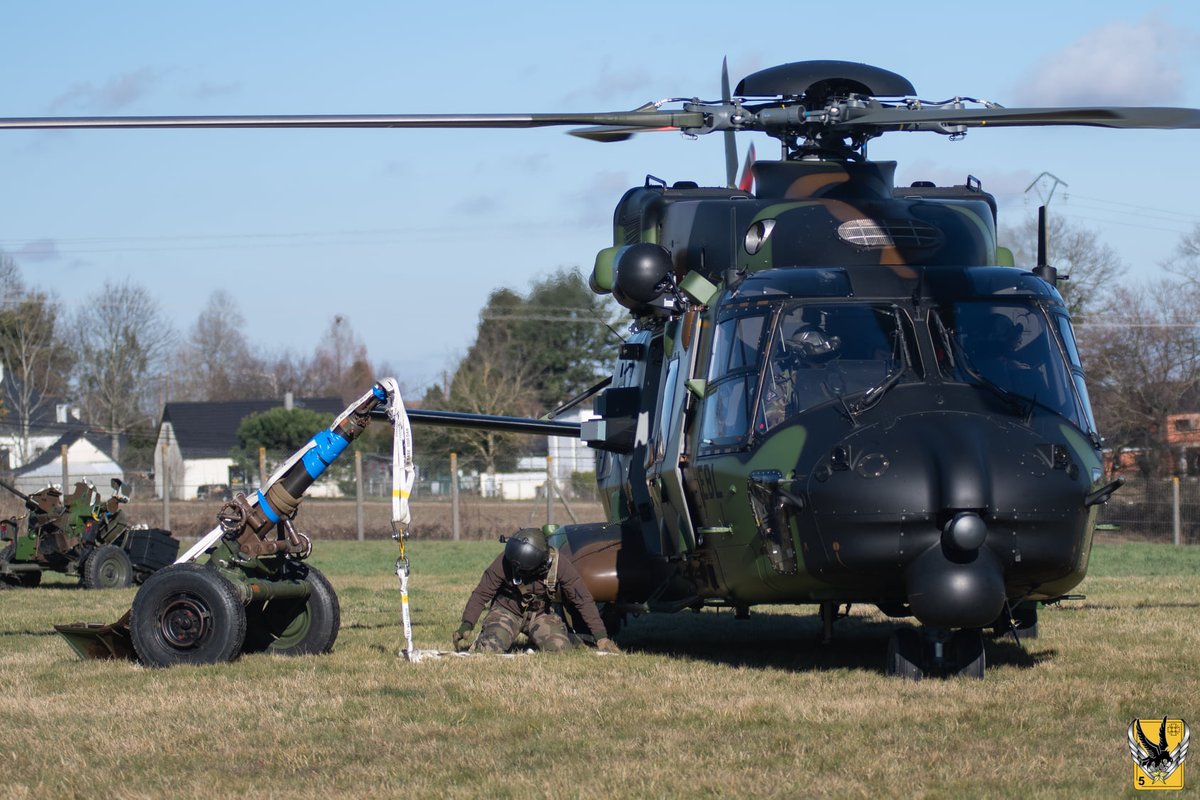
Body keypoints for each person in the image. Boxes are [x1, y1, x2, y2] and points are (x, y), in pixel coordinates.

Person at [453, 528, 620, 654]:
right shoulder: (507, 559)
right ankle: (486, 637)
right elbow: (482, 593)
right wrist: (467, 624)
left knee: (561, 651)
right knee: (488, 651)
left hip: (540, 615)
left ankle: (550, 638)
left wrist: (601, 637)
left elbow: (582, 598)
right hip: (507, 611)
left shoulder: (559, 564)